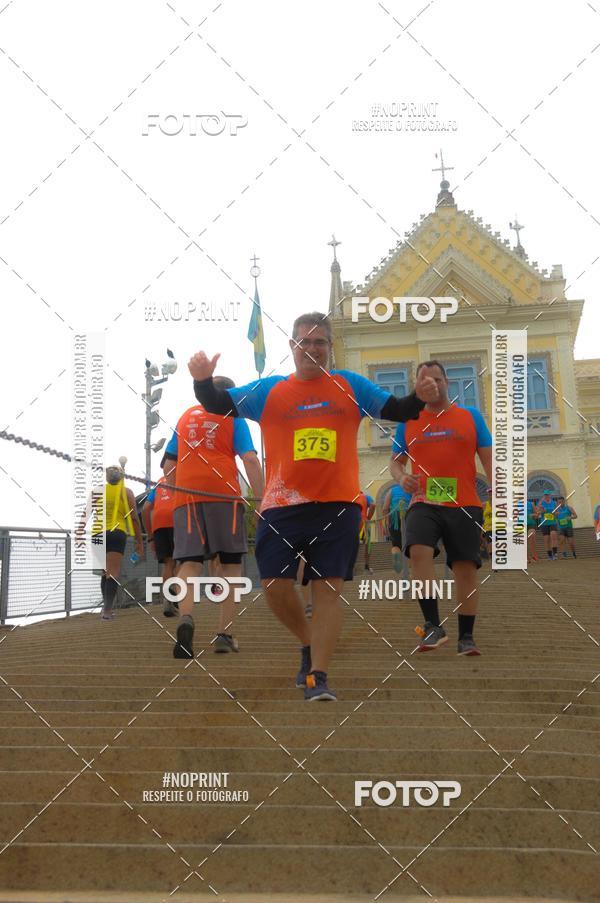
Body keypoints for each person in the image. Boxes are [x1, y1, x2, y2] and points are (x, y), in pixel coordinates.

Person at [188, 312, 439, 701]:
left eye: (321, 341)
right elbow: (217, 404)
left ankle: (318, 676)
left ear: (330, 348)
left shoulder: (348, 385)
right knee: (273, 584)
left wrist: (418, 398)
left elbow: (397, 409)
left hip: (338, 505)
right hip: (281, 505)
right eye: (305, 341)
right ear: (292, 346)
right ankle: (306, 642)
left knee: (327, 589)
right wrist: (202, 379)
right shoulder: (270, 391)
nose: (313, 348)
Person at [390, 361, 492, 656]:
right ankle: (433, 625)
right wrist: (402, 477)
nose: (431, 384)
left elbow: (488, 459)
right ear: (417, 387)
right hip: (424, 501)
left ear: (447, 382)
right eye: (424, 380)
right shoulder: (408, 421)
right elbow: (395, 461)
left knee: (465, 569)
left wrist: (500, 494)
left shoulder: (470, 417)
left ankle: (466, 636)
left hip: (465, 503)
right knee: (418, 550)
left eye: (437, 378)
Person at [164, 376, 264, 658]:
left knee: (190, 562)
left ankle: (185, 616)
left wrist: (177, 496)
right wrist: (261, 500)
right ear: (228, 394)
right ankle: (225, 633)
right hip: (224, 495)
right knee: (231, 565)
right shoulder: (233, 416)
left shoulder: (185, 418)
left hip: (186, 496)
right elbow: (250, 460)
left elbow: (169, 464)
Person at [81, 463, 144, 620]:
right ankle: (107, 611)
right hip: (116, 533)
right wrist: (139, 540)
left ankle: (106, 608)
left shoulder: (96, 491)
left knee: (104, 572)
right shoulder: (127, 492)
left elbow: (86, 513)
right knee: (113, 573)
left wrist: (79, 532)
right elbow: (135, 518)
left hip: (97, 534)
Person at [142, 459, 177, 616]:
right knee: (182, 562)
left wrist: (150, 537)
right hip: (177, 520)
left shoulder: (159, 483)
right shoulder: (181, 479)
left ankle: (167, 599)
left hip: (158, 523)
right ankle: (178, 598)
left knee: (167, 563)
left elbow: (145, 508)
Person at [382, 483, 411, 572]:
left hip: (394, 517)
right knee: (410, 544)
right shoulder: (411, 489)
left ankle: (396, 555)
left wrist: (387, 522)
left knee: (396, 544)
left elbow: (385, 508)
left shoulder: (392, 490)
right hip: (408, 516)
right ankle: (408, 570)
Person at [358, 490, 376, 573]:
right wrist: (369, 517)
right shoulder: (366, 497)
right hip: (364, 522)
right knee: (367, 543)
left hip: (351, 522)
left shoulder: (350, 497)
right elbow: (373, 505)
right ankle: (366, 566)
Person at [538, 490, 559, 560]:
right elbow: (539, 512)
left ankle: (555, 554)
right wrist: (542, 510)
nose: (546, 496)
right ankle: (550, 555)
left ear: (550, 495)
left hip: (552, 522)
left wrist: (556, 513)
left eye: (547, 495)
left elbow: (557, 512)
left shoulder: (554, 503)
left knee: (553, 535)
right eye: (545, 495)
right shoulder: (541, 503)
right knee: (546, 539)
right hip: (544, 523)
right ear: (543, 496)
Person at [527, 498, 539, 563]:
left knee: (532, 536)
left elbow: (537, 515)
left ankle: (534, 556)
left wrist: (533, 515)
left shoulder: (531, 504)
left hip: (531, 524)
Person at [482, 488, 493, 560]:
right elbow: (479, 516)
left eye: (492, 493)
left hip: (499, 527)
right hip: (488, 528)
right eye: (489, 493)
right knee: (490, 543)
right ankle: (493, 559)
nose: (491, 495)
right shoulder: (484, 505)